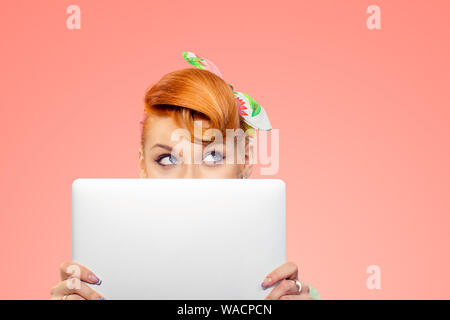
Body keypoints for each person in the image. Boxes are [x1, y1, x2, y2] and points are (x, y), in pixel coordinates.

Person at [50, 52, 321, 300]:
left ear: (246, 160)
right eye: (167, 159)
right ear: (143, 165)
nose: (189, 178)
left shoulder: (288, 296)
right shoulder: (102, 286)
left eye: (213, 156)